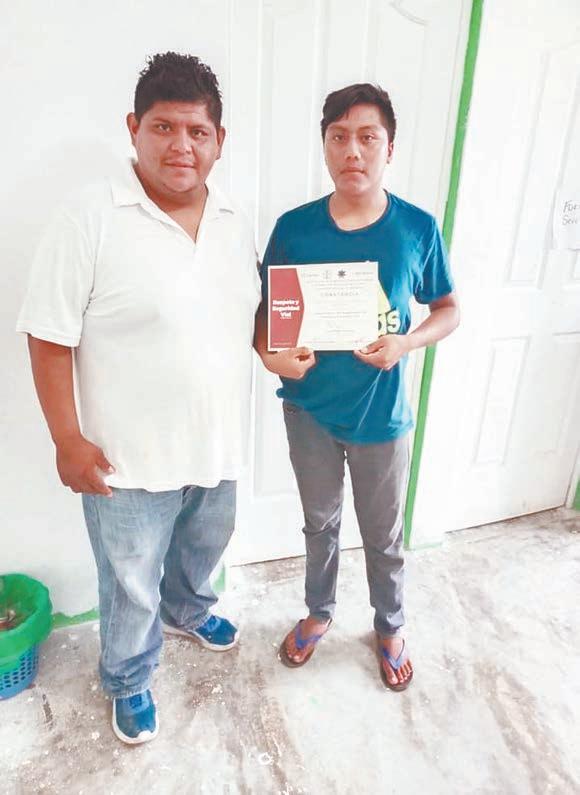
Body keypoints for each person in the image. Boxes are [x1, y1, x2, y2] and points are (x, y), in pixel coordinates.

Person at [17, 52, 260, 742]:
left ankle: (188, 610)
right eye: (164, 127)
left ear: (219, 140)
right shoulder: (89, 216)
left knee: (203, 549)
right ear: (134, 128)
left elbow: (246, 318)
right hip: (126, 460)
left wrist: (285, 354)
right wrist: (67, 438)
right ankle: (127, 676)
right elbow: (49, 335)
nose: (181, 146)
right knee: (128, 581)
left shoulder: (235, 218)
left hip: (217, 442)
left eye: (197, 131)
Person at [255, 83, 460, 691]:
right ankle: (319, 612)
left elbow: (449, 309)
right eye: (339, 137)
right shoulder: (294, 228)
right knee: (319, 524)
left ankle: (390, 625)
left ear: (388, 148)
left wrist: (405, 343)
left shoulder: (416, 228)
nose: (353, 150)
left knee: (383, 535)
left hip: (381, 416)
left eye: (367, 137)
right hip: (309, 411)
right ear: (324, 146)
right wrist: (272, 357)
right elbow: (266, 314)